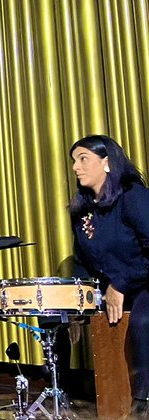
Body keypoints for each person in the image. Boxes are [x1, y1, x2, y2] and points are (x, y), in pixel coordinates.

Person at [68, 135, 149, 415]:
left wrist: (121, 284)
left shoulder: (133, 196)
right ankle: (64, 392)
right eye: (74, 161)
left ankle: (143, 404)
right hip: (111, 287)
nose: (76, 167)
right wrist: (79, 301)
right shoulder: (82, 211)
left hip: (144, 281)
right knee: (55, 317)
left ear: (106, 163)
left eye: (83, 159)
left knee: (143, 320)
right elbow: (81, 261)